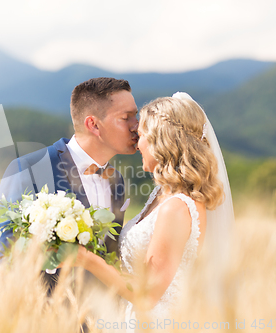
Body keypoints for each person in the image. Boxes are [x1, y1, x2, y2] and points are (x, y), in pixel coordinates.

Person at [63, 92, 234, 325]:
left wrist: (87, 259)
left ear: (161, 141)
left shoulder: (176, 208)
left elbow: (148, 294)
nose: (136, 143)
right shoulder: (161, 194)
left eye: (141, 135)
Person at [0, 77, 140, 293]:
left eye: (135, 115)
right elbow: (2, 261)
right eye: (126, 117)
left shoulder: (116, 180)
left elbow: (110, 258)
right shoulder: (28, 169)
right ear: (94, 125)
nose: (136, 125)